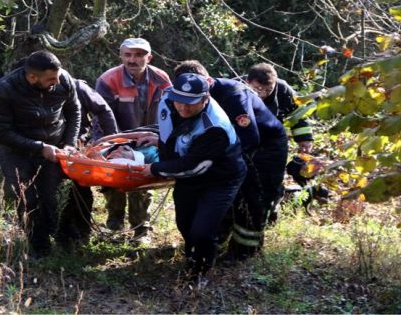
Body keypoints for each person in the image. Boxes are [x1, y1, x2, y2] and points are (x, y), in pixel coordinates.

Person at [0, 74, 118, 243]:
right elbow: (2, 126)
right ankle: (45, 238)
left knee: (76, 191)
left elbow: (101, 111)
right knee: (39, 197)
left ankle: (80, 234)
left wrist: (112, 143)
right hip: (41, 150)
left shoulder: (76, 86)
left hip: (72, 148)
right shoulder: (21, 93)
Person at [173, 60, 288, 260]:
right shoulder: (190, 96)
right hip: (230, 147)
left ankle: (245, 252)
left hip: (264, 149)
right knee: (227, 195)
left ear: (208, 81)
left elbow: (250, 137)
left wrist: (214, 156)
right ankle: (216, 240)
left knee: (254, 198)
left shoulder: (234, 95)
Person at [139, 73, 246, 277]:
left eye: (192, 103)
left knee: (202, 231)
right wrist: (157, 141)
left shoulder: (215, 127)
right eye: (180, 101)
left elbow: (194, 166)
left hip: (219, 177)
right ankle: (192, 255)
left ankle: (200, 271)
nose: (184, 108)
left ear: (206, 99)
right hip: (187, 173)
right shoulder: (167, 100)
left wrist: (153, 169)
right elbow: (169, 132)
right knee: (184, 222)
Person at [0, 50, 81, 258]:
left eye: (58, 77)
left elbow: (74, 110)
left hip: (55, 148)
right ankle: (39, 247)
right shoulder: (4, 89)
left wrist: (70, 144)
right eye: (50, 79)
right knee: (27, 198)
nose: (56, 82)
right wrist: (39, 147)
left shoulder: (63, 80)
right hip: (16, 151)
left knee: (54, 195)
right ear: (32, 77)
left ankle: (64, 240)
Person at [95, 37, 171, 242]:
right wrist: (116, 145)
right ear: (120, 56)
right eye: (127, 55)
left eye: (138, 55)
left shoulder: (161, 78)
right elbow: (101, 116)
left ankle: (141, 229)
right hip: (115, 137)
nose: (132, 59)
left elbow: (171, 112)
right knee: (113, 177)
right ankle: (114, 224)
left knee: (142, 179)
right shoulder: (108, 80)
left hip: (151, 139)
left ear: (149, 57)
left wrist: (161, 139)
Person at [245, 63, 314, 153]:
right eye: (257, 89)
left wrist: (304, 138)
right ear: (247, 82)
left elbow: (298, 115)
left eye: (268, 90)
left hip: (272, 138)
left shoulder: (283, 89)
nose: (262, 94)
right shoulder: (234, 87)